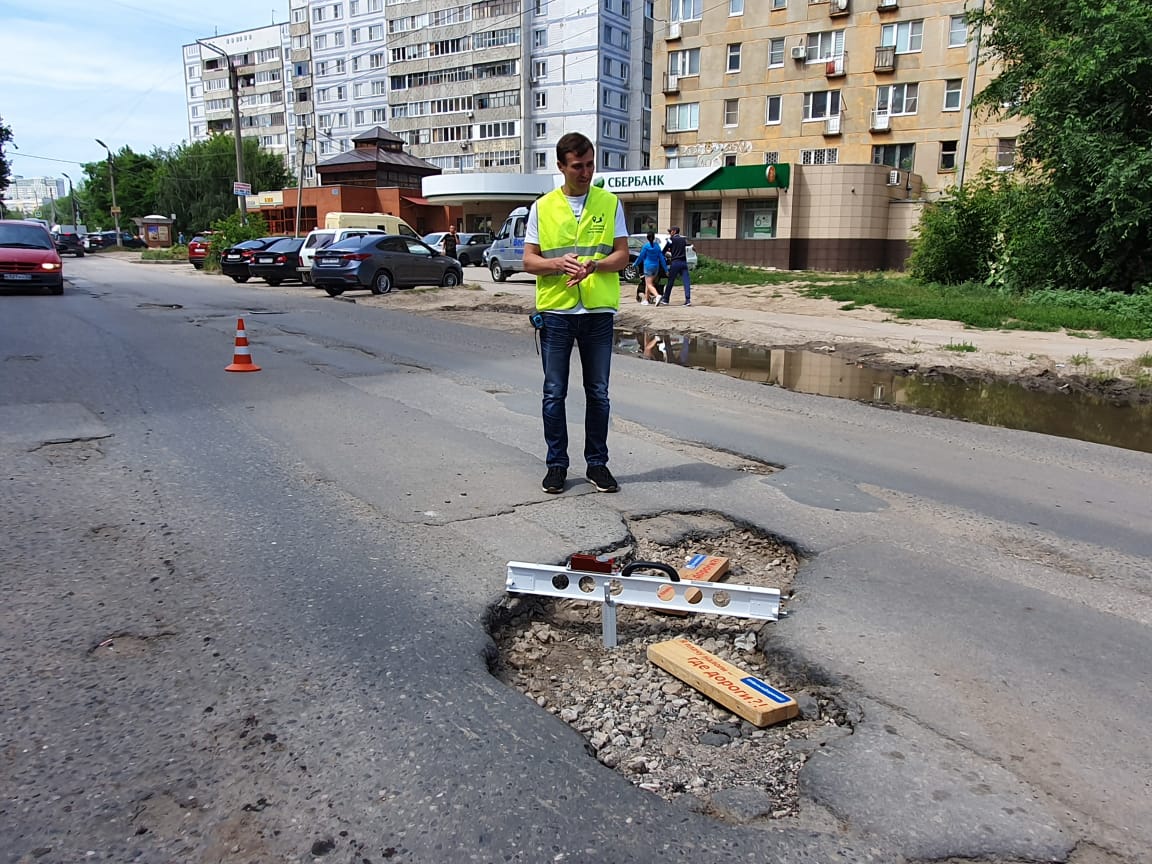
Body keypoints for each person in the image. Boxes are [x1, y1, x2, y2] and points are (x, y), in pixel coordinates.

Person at [523, 132, 630, 495]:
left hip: (597, 312)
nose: (585, 172)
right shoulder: (542, 207)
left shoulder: (609, 203)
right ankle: (557, 465)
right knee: (554, 392)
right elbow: (528, 260)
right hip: (556, 312)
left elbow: (622, 256)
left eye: (589, 164)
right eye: (577, 166)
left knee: (598, 392)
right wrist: (555, 263)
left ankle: (597, 465)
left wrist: (595, 266)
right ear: (561, 167)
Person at [661, 226, 692, 306]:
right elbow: (689, 245)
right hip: (683, 262)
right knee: (686, 281)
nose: (669, 233)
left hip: (675, 262)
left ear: (674, 231)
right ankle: (688, 300)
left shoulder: (671, 240)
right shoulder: (683, 239)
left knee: (670, 281)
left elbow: (663, 251)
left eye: (670, 231)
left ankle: (666, 299)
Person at [634, 231, 667, 305]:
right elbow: (661, 258)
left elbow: (641, 257)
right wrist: (666, 269)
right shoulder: (657, 246)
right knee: (649, 283)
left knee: (649, 284)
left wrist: (635, 264)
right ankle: (646, 300)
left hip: (648, 267)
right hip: (656, 267)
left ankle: (657, 295)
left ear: (647, 238)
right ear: (654, 237)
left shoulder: (646, 246)